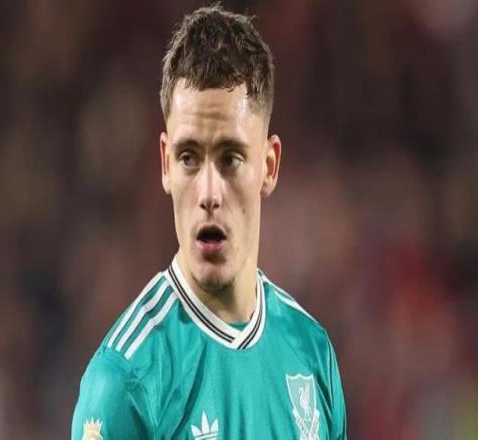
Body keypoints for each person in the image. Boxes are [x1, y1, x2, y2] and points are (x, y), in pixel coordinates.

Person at [71, 4, 347, 439]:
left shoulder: (311, 354)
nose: (209, 194)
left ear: (269, 166)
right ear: (165, 165)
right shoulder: (126, 381)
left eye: (230, 158)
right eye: (188, 158)